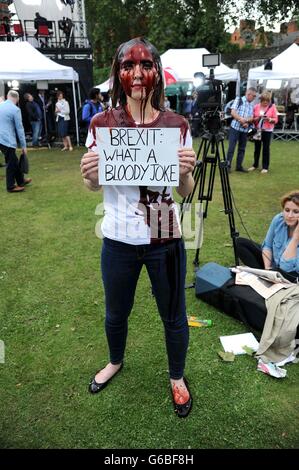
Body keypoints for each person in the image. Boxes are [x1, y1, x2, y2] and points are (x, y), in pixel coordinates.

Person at [80, 37, 196, 418]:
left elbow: (186, 191)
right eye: (128, 66)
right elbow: (94, 185)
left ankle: (177, 376)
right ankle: (115, 360)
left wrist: (185, 172)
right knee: (117, 311)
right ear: (117, 73)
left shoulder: (176, 125)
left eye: (146, 65)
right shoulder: (103, 123)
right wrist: (90, 175)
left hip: (164, 232)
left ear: (157, 73)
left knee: (173, 313)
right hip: (118, 235)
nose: (137, 74)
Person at [235, 190, 299, 283]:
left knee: (281, 271)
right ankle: (263, 275)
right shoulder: (278, 219)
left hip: (291, 273)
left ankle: (264, 277)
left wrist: (296, 238)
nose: (289, 215)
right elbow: (267, 246)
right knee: (239, 243)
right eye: (287, 210)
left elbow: (286, 268)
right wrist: (267, 269)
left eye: (296, 212)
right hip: (273, 266)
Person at [0, 90, 31, 192]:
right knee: (11, 162)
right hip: (7, 139)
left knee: (14, 160)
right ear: (17, 99)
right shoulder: (15, 109)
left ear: (7, 96)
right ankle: (11, 186)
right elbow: (20, 129)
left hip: (1, 139)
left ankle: (21, 180)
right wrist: (24, 146)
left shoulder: (1, 105)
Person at [226, 87, 257, 173]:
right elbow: (233, 112)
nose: (254, 98)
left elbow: (251, 117)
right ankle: (227, 165)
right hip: (235, 128)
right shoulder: (239, 99)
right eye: (253, 96)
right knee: (231, 148)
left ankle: (239, 166)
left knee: (242, 149)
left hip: (244, 130)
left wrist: (246, 121)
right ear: (248, 94)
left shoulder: (251, 105)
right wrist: (241, 120)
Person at [248, 91, 278, 174]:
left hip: (267, 131)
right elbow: (252, 118)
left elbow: (276, 120)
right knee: (256, 148)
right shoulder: (256, 107)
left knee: (266, 148)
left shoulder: (272, 107)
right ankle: (255, 165)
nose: (265, 102)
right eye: (264, 100)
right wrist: (257, 118)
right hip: (258, 130)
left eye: (267, 101)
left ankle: (265, 167)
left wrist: (269, 119)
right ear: (261, 100)